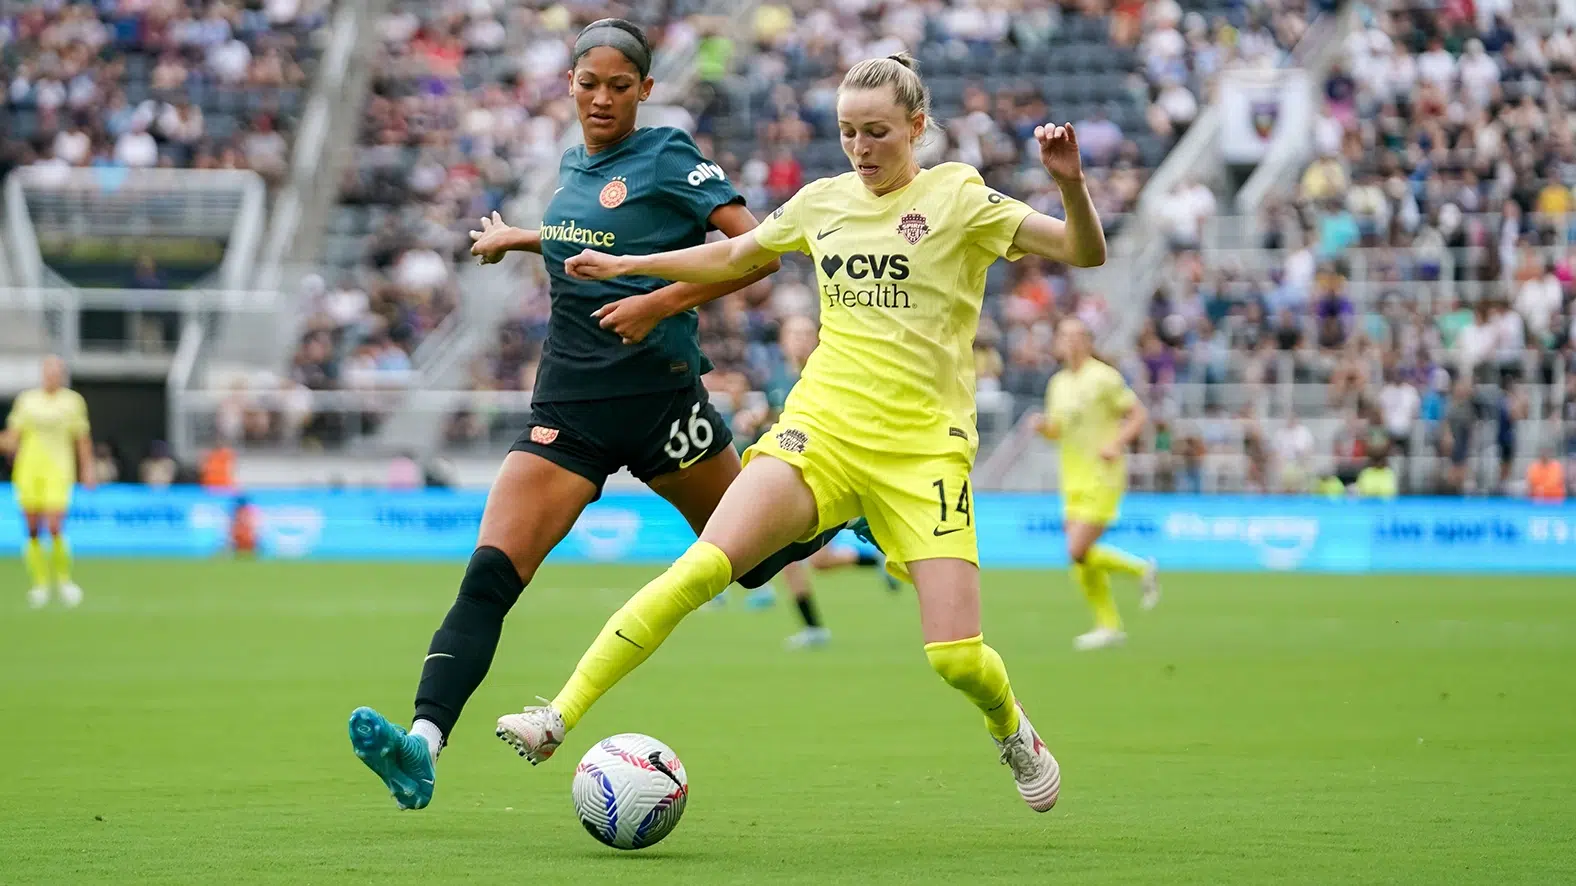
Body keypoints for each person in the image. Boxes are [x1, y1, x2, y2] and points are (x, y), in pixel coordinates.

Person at [495, 53, 1108, 813]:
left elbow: (1084, 251)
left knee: (955, 659)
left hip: (924, 455)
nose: (860, 147)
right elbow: (731, 253)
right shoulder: (823, 203)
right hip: (819, 433)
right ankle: (556, 716)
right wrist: (629, 266)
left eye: (877, 132)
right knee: (700, 569)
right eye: (848, 132)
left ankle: (1011, 727)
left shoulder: (959, 197)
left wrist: (1070, 184)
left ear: (917, 127)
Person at [347, 19, 841, 811]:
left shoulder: (671, 154)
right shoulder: (573, 165)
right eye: (589, 83)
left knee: (750, 561)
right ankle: (422, 745)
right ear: (569, 85)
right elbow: (593, 234)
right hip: (569, 411)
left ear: (646, 89)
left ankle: (838, 515)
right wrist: (521, 239)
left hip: (662, 406)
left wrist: (661, 303)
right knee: (488, 578)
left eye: (620, 85)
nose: (603, 98)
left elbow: (759, 251)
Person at [1031, 318, 1158, 651]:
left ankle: (1140, 569)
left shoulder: (1103, 376)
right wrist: (1043, 427)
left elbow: (1139, 415)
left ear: (1087, 342)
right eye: (1063, 335)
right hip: (1071, 476)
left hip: (1103, 474)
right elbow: (1057, 430)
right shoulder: (1057, 383)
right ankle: (1108, 625)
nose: (1068, 342)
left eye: (1075, 336)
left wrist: (1116, 443)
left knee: (1076, 549)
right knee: (1080, 559)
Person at [2, 356, 94, 609]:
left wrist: (87, 468)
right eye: (49, 371)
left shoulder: (73, 402)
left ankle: (64, 581)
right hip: (29, 470)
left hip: (59, 469)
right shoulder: (27, 401)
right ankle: (40, 583)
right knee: (32, 530)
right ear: (43, 374)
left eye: (57, 372)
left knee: (55, 526)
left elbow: (81, 438)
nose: (53, 376)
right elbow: (12, 437)